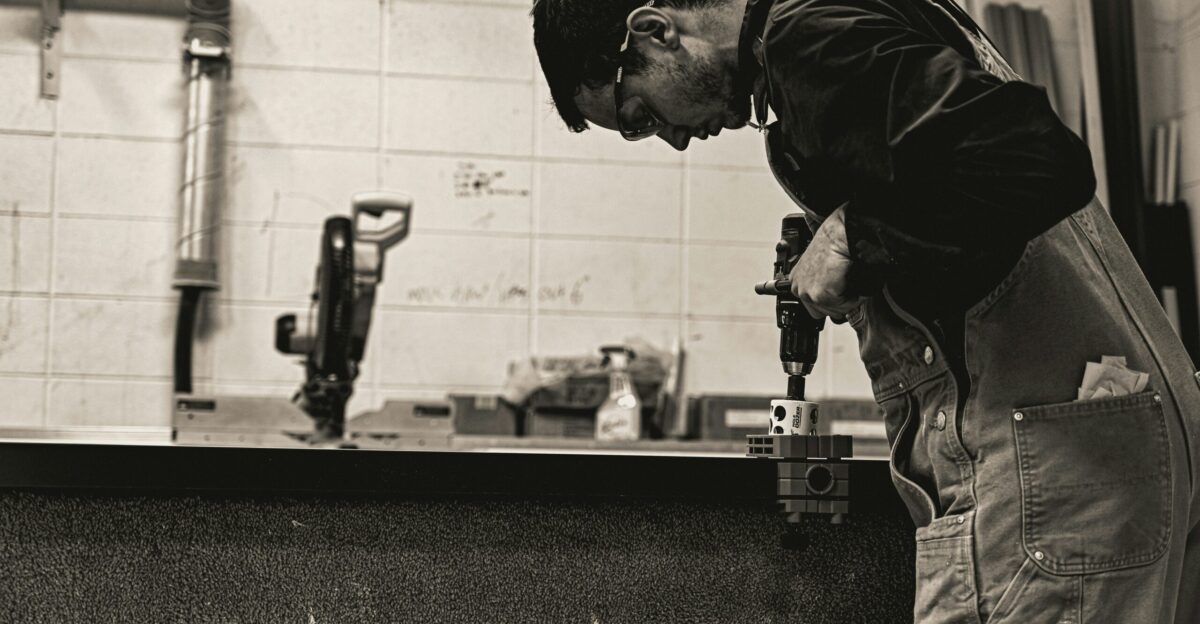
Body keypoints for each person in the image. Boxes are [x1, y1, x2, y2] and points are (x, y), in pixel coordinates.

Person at [530, 0, 1200, 621]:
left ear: (653, 30)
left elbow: (1036, 159)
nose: (672, 141)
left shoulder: (808, 39)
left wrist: (857, 234)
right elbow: (969, 184)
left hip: (1058, 474)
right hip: (1092, 452)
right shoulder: (856, 18)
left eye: (642, 116)